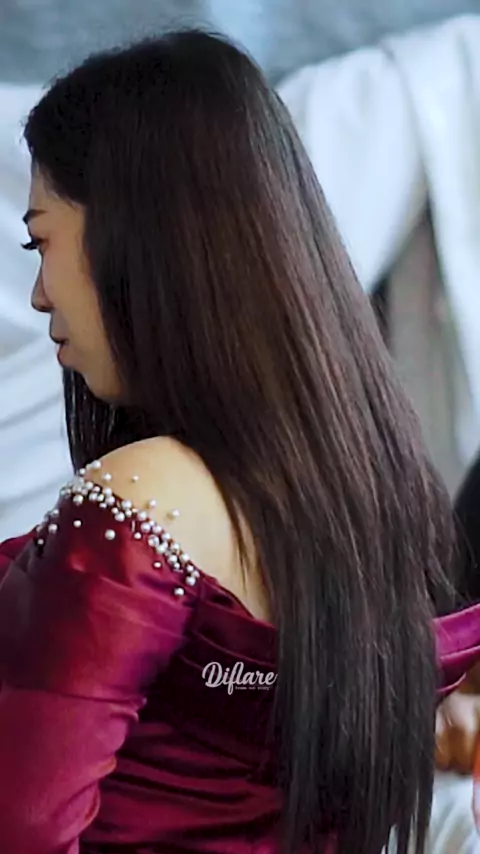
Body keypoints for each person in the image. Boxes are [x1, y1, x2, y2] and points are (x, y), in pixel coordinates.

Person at [0, 28, 479, 854]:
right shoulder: (380, 495)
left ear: (135, 235)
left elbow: (22, 825)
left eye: (41, 242)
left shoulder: (140, 499)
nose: (39, 294)